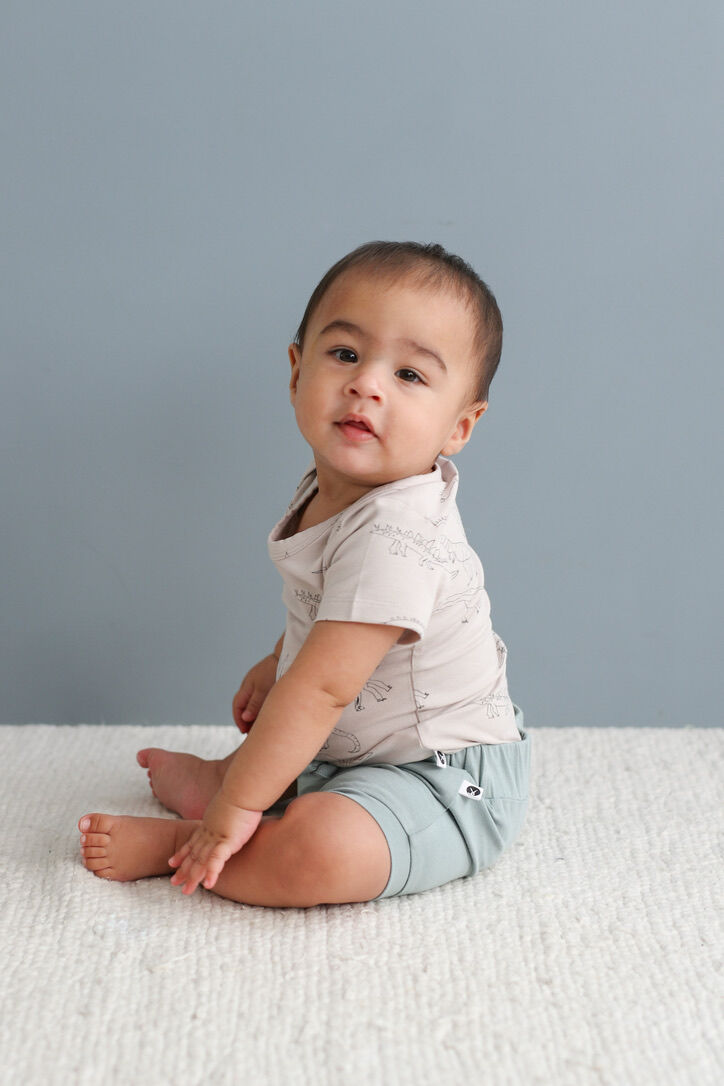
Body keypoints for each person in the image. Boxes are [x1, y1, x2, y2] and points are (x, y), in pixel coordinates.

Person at [78, 240, 531, 907]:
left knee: (320, 848)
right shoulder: (332, 491)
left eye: (409, 376)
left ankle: (193, 840)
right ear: (296, 372)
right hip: (353, 743)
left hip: (441, 777)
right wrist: (278, 658)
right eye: (345, 354)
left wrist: (230, 817)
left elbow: (321, 689)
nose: (366, 383)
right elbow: (326, 620)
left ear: (459, 424)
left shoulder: (400, 537)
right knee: (279, 744)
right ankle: (229, 780)